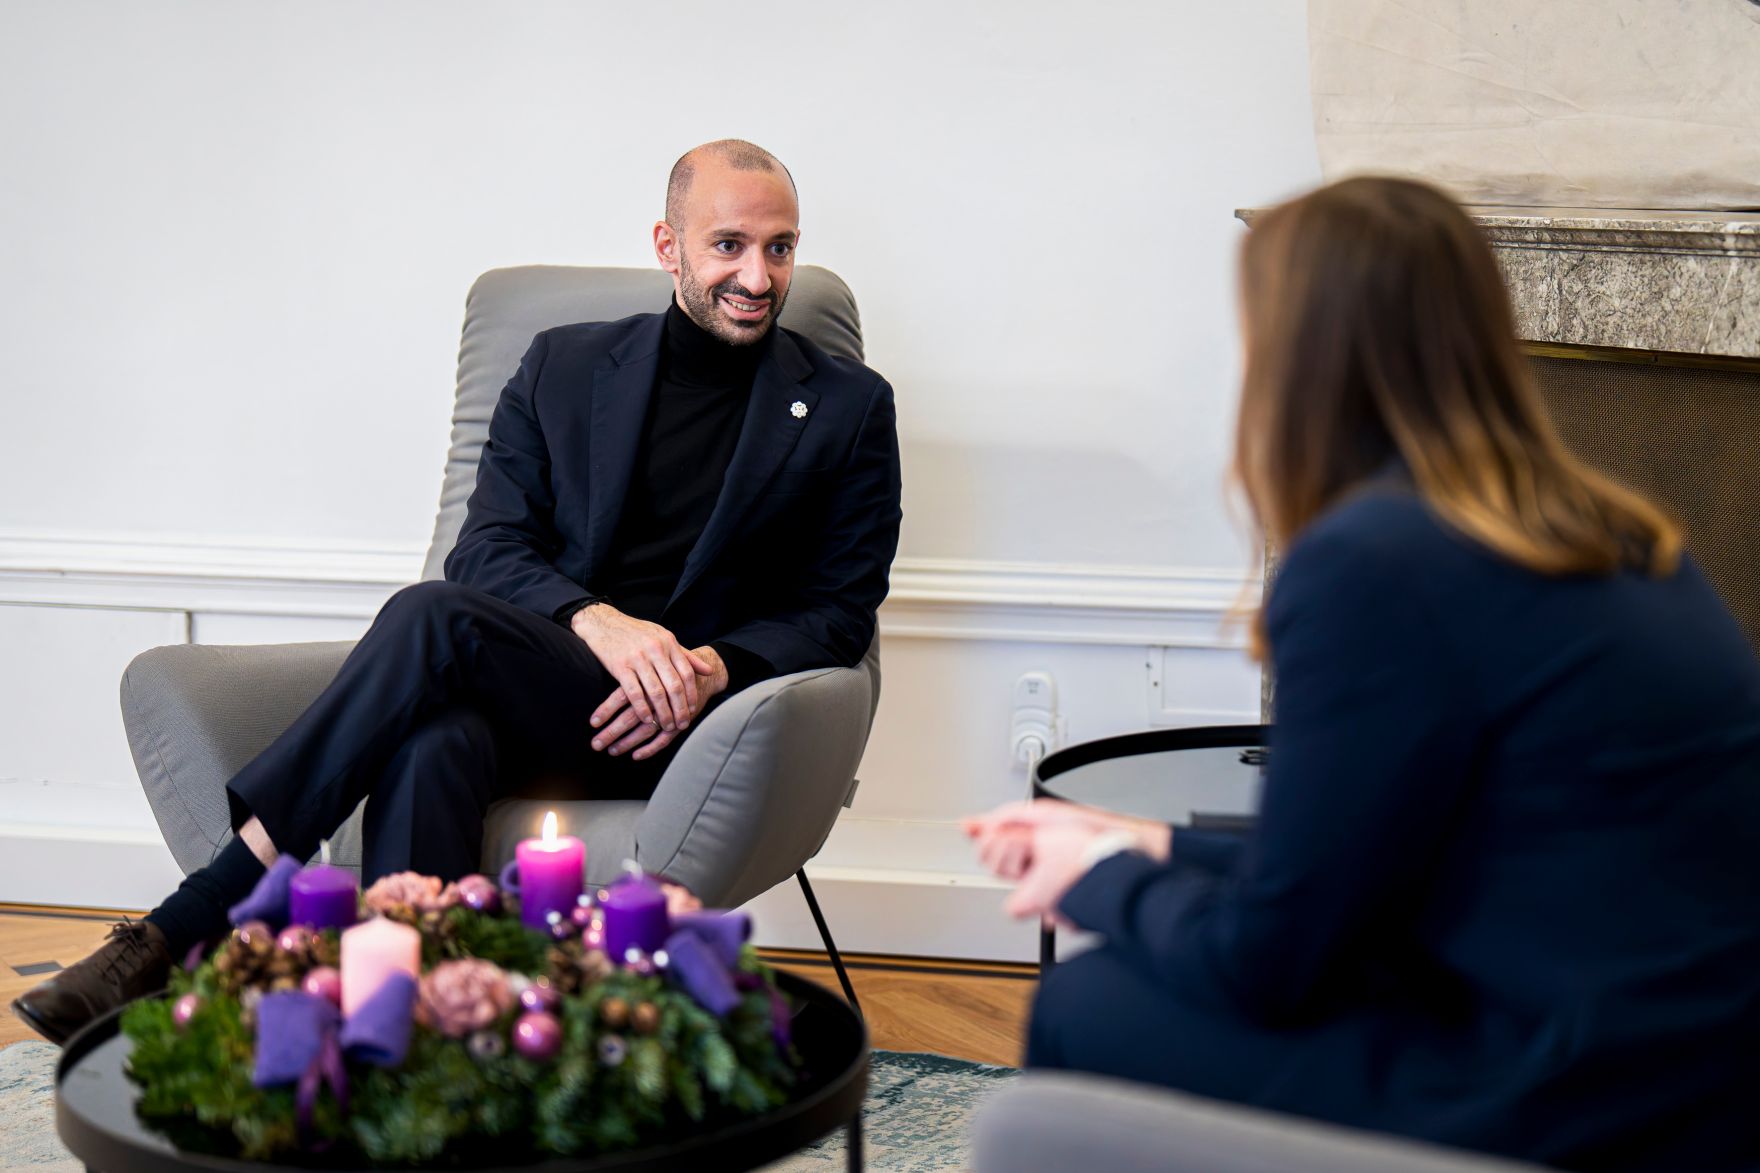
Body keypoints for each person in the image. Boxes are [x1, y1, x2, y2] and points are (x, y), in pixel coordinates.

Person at [15, 139, 903, 1045]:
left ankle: (197, 915)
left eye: (780, 247)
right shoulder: (561, 367)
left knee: (426, 622)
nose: (758, 275)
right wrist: (602, 626)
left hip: (695, 729)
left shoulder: (847, 405)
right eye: (729, 246)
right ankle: (422, 1051)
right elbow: (486, 548)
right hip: (554, 690)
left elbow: (839, 609)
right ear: (668, 246)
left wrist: (709, 669)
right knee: (433, 738)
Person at [966, 177, 1760, 1171]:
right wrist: (1157, 846)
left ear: (1302, 358)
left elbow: (1272, 965)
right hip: (1708, 1078)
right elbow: (1389, 866)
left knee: (1091, 1004)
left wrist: (1098, 881)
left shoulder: (1372, 560)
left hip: (1575, 1094)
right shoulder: (1612, 530)